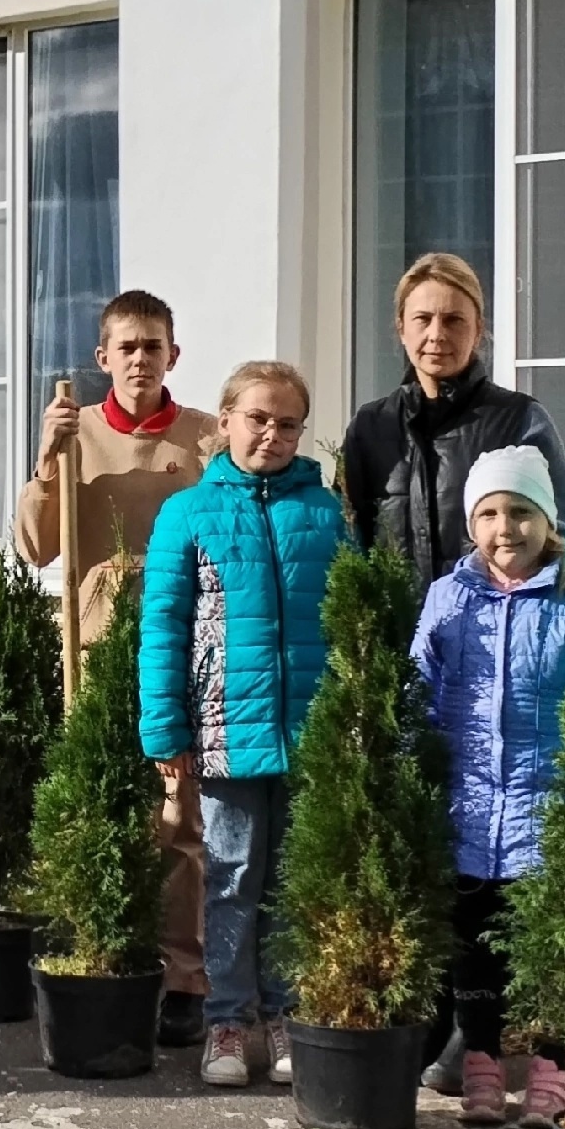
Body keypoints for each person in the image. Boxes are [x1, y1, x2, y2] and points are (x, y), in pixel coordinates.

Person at [13, 289, 219, 1046]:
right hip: (96, 650)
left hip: (182, 649)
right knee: (103, 810)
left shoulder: (206, 442)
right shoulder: (77, 433)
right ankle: (107, 948)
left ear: (173, 355)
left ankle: (180, 977)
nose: (140, 358)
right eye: (125, 346)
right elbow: (36, 549)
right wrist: (47, 463)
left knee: (179, 819)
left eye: (152, 345)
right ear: (103, 359)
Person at [138, 360, 346, 1090]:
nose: (272, 434)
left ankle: (287, 1014)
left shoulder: (326, 514)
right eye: (258, 418)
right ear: (224, 421)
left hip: (309, 732)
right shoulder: (189, 514)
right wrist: (166, 731)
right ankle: (227, 1017)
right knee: (229, 877)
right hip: (226, 730)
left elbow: (349, 624)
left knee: (292, 880)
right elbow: (161, 625)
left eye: (288, 424)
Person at [408, 444, 565, 1129]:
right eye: (490, 513)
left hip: (547, 803)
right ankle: (480, 1066)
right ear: (472, 523)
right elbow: (420, 682)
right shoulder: (449, 597)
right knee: (473, 950)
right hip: (468, 810)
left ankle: (551, 1072)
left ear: (547, 519)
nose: (506, 528)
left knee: (546, 949)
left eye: (521, 512)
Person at [341, 253, 565, 586]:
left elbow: (559, 534)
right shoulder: (370, 427)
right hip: (397, 635)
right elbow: (350, 543)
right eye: (423, 319)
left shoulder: (518, 419)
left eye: (453, 320)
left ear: (478, 330)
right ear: (401, 328)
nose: (437, 334)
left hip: (494, 630)